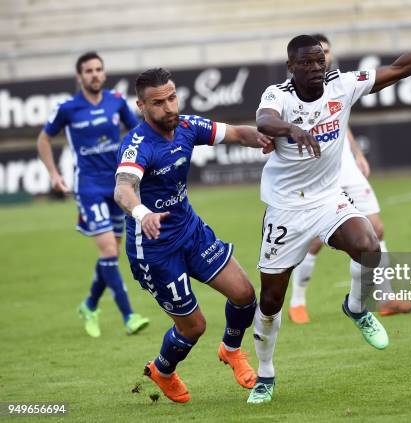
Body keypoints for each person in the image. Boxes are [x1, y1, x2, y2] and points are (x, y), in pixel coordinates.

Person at [249, 11, 411, 403]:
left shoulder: (342, 85)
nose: (315, 67)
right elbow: (264, 120)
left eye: (320, 59)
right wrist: (291, 129)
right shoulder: (278, 95)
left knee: (369, 246)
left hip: (327, 197)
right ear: (291, 67)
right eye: (306, 62)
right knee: (270, 299)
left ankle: (356, 308)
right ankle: (266, 374)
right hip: (286, 208)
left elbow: (400, 68)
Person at [114, 68, 272, 403]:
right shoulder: (137, 145)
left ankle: (231, 350)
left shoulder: (186, 125)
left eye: (172, 97)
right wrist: (143, 214)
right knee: (194, 327)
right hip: (155, 250)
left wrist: (273, 136)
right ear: (141, 106)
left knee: (244, 294)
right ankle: (162, 370)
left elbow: (237, 134)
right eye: (159, 103)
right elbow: (123, 190)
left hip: (191, 231)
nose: (169, 107)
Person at [287, 33, 411, 324]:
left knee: (376, 229)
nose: (323, 58)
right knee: (314, 241)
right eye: (317, 54)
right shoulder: (297, 91)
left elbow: (340, 122)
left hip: (346, 166)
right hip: (318, 175)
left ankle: (386, 298)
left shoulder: (338, 83)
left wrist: (357, 153)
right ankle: (297, 301)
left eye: (326, 53)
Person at [37, 51, 149, 338]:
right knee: (109, 251)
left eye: (99, 69)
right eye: (89, 71)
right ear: (79, 76)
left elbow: (138, 132)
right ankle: (129, 315)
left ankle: (89, 305)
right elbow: (44, 138)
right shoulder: (67, 107)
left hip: (117, 186)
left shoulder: (116, 101)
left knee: (110, 255)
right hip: (87, 187)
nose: (95, 74)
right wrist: (53, 174)